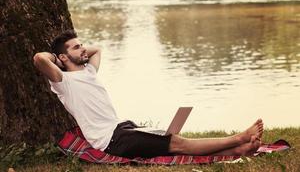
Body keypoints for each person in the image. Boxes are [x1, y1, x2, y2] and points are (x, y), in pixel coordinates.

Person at [33, 29, 264, 159]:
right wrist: (57, 58)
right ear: (62, 58)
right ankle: (238, 138)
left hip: (123, 127)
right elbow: (39, 59)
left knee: (168, 139)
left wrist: (77, 52)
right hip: (111, 140)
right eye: (75, 47)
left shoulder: (90, 71)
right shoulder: (64, 82)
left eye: (80, 44)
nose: (83, 48)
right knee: (178, 143)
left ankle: (238, 150)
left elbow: (97, 50)